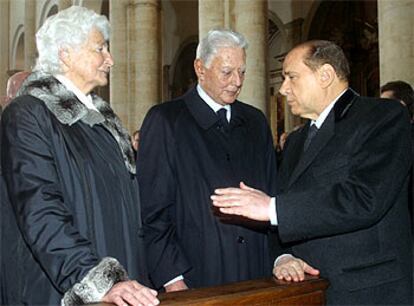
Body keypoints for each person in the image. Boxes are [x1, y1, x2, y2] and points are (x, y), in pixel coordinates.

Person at [211, 40, 413, 305]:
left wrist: (271, 208)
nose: (283, 89)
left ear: (325, 75)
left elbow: (365, 198)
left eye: (291, 77)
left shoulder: (382, 117)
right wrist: (283, 257)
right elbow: (285, 214)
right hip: (310, 291)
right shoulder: (296, 140)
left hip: (369, 291)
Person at [0, 6, 159, 306]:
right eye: (100, 48)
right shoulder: (28, 114)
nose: (109, 58)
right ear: (65, 53)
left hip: (120, 285)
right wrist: (97, 279)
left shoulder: (101, 119)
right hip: (65, 288)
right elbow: (40, 211)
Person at [137, 29, 277, 291]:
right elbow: (153, 213)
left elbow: (272, 195)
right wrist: (172, 279)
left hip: (256, 274)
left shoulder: (256, 121)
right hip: (195, 276)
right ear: (200, 69)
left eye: (242, 71)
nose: (237, 81)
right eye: (227, 72)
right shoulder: (166, 121)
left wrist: (280, 256)